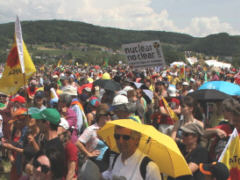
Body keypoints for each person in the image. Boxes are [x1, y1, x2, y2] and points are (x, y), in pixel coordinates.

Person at [76, 103, 111, 172]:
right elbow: (78, 143)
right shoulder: (91, 129)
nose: (109, 117)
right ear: (100, 116)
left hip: (107, 163)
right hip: (94, 163)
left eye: (110, 115)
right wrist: (89, 154)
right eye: (107, 114)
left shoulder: (110, 129)